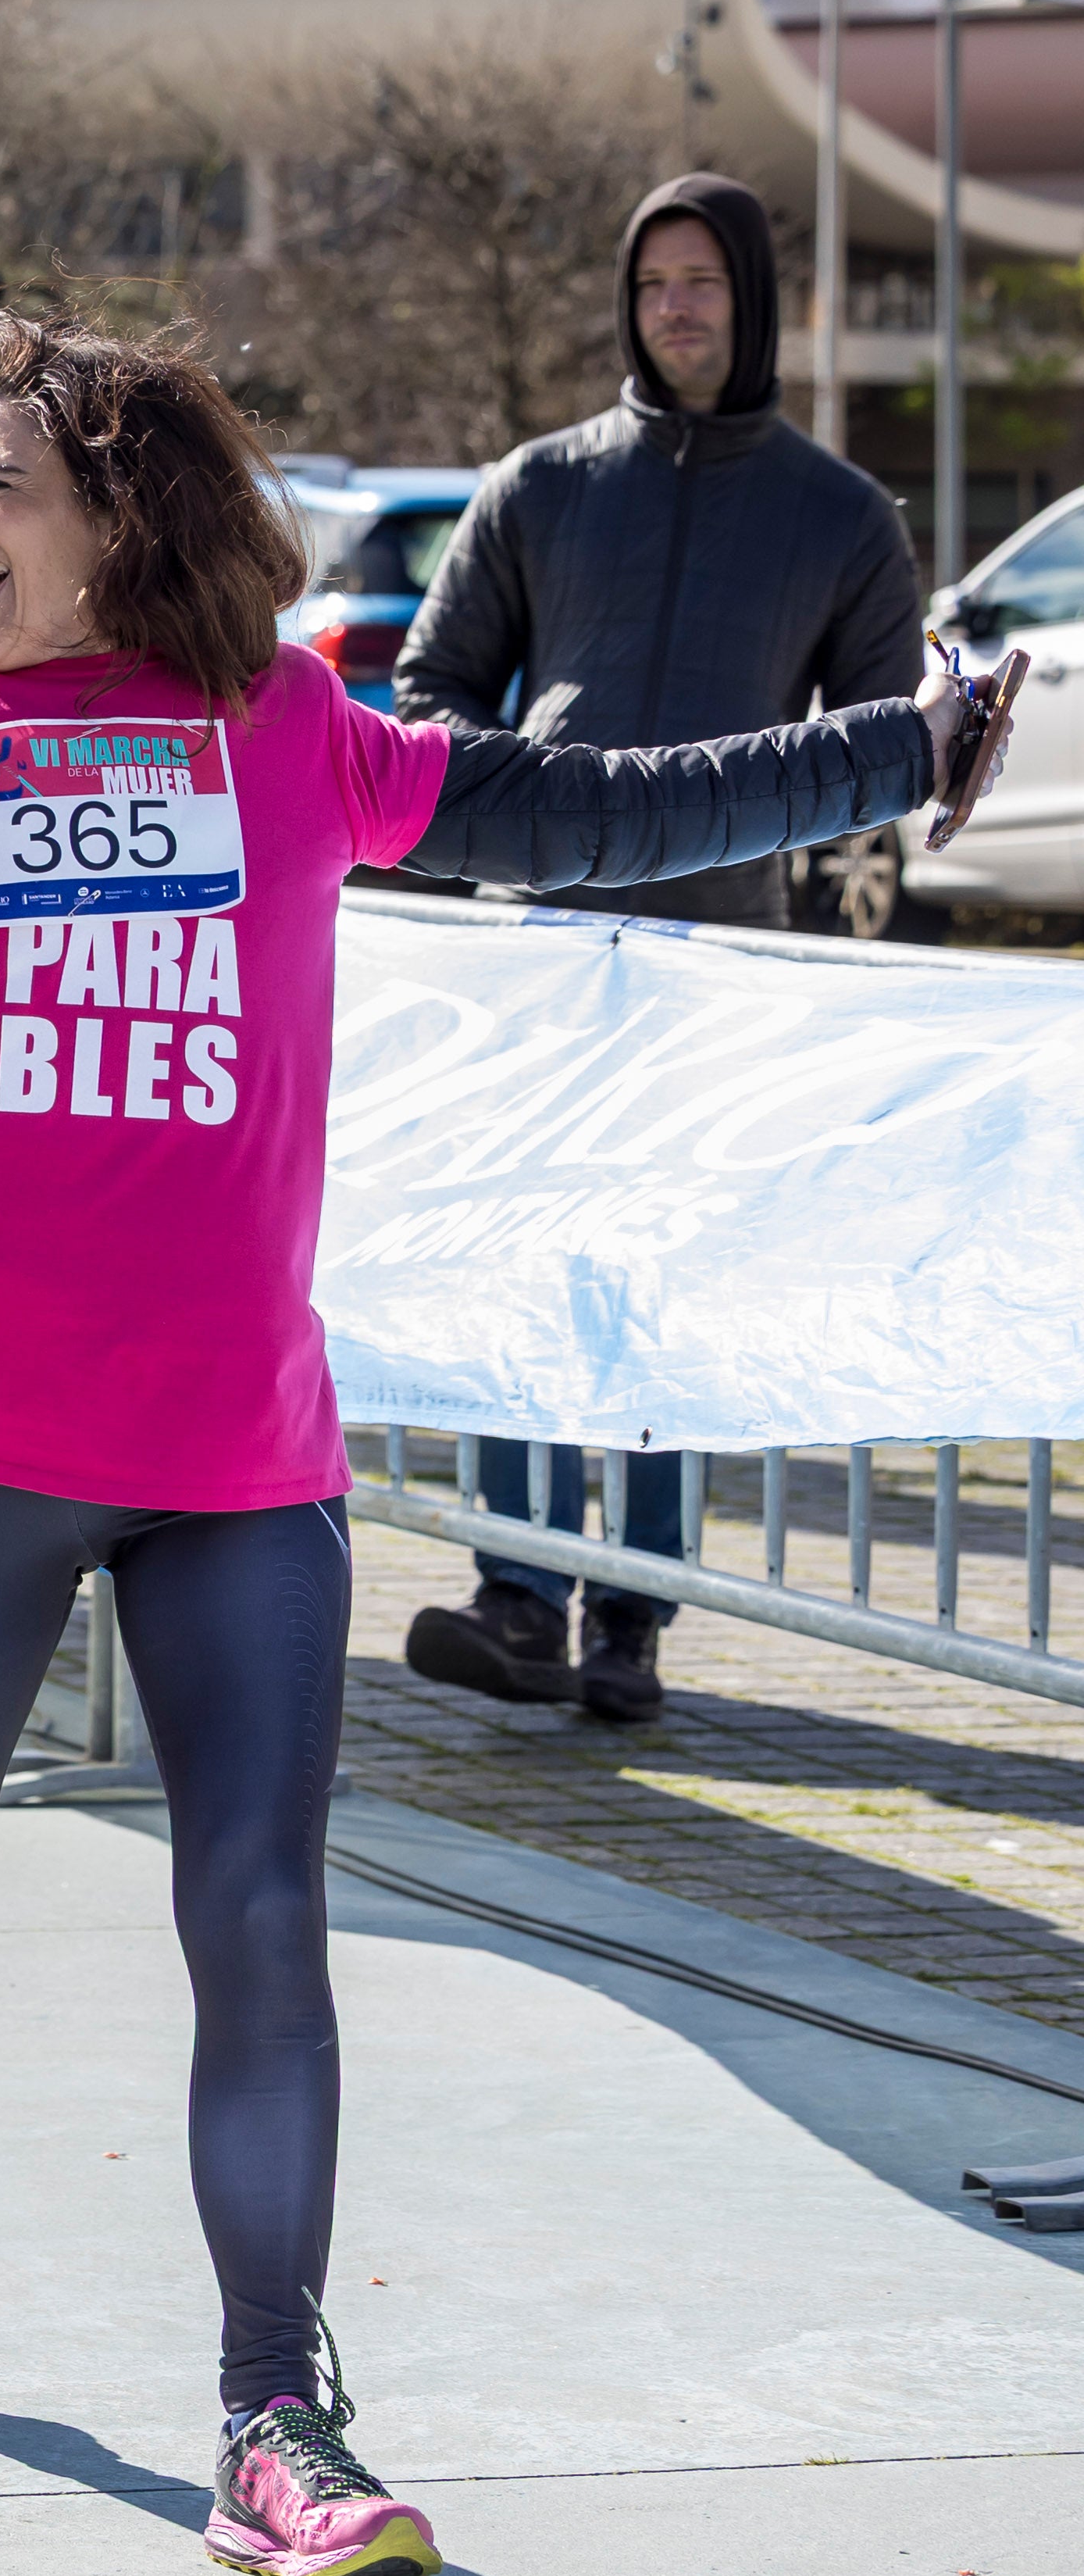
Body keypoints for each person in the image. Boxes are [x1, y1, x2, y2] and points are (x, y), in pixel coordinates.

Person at [0, 23, 990, 2576]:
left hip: (242, 1464)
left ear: (122, 508)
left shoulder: (291, 739)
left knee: (261, 1921)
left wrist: (893, 747)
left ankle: (279, 2413)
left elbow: (614, 804)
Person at [387, 173, 925, 1727]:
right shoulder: (543, 485)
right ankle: (514, 1590)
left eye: (702, 281)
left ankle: (633, 1615)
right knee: (521, 1259)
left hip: (716, 972)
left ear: (753, 300)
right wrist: (515, 806)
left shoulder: (840, 517)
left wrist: (829, 941)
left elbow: (884, 750)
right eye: (654, 284)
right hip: (537, 958)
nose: (676, 307)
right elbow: (432, 691)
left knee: (656, 1290)